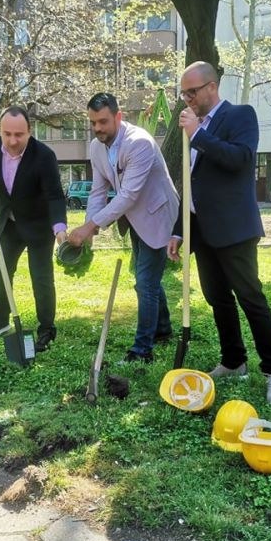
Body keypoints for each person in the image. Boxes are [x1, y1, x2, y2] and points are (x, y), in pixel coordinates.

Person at [167, 61, 271, 405]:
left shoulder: (239, 116)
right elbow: (190, 184)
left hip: (235, 229)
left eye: (192, 92)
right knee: (217, 298)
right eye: (184, 93)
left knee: (251, 298)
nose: (187, 99)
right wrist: (179, 230)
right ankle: (234, 361)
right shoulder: (191, 127)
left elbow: (240, 159)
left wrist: (199, 135)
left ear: (212, 87)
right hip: (202, 231)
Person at [68, 93, 179, 363]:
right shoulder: (96, 147)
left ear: (119, 116)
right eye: (93, 123)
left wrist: (92, 226)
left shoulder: (139, 142)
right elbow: (98, 190)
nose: (97, 128)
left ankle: (142, 351)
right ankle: (162, 330)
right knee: (148, 280)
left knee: (145, 283)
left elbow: (128, 194)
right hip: (134, 219)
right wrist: (89, 229)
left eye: (103, 121)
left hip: (158, 215)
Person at [0, 106, 67, 353]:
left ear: (29, 132)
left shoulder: (44, 156)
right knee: (0, 272)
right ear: (0, 131)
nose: (12, 141)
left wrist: (59, 229)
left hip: (38, 226)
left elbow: (55, 196)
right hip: (10, 223)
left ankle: (46, 329)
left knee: (41, 279)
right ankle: (1, 321)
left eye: (19, 135)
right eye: (7, 134)